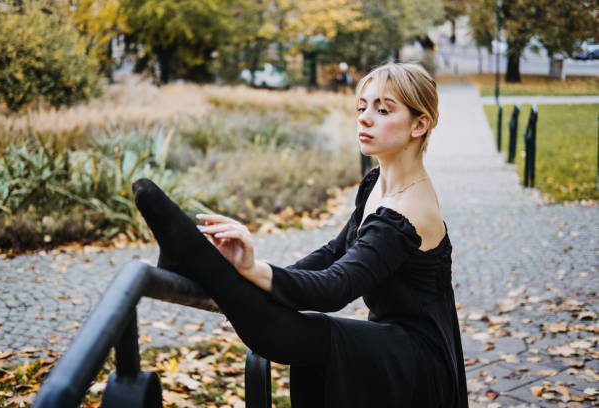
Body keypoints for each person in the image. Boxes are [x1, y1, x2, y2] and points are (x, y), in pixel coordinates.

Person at [132, 62, 468, 407]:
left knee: (296, 332)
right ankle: (199, 262)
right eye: (362, 107)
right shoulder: (377, 185)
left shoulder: (408, 209)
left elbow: (336, 287)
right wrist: (265, 283)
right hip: (394, 341)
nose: (365, 118)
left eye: (383, 110)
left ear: (419, 124)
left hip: (420, 362)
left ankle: (198, 261)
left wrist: (252, 269)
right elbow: (334, 252)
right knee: (292, 322)